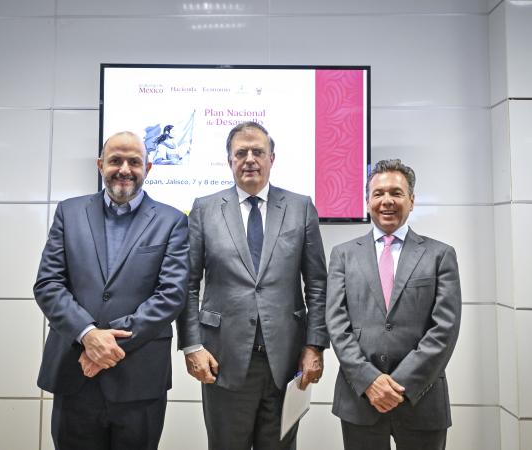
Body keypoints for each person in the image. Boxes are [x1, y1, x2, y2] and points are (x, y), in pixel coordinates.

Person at [176, 121, 328, 450]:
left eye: (258, 152)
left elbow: (317, 283)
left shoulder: (300, 207)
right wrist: (191, 346)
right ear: (229, 160)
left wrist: (315, 345)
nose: (249, 159)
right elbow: (187, 284)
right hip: (221, 358)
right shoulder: (204, 209)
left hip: (286, 360)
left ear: (272, 158)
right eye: (240, 152)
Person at [34, 131, 189, 450]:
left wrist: (106, 345)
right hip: (76, 372)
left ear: (148, 168)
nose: (125, 169)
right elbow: (48, 284)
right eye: (115, 160)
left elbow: (171, 294)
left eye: (134, 161)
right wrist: (88, 335)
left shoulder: (172, 221)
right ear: (100, 165)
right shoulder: (69, 212)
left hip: (139, 380)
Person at [326, 159, 462, 450]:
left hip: (421, 399)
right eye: (378, 193)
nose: (386, 200)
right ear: (367, 202)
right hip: (360, 398)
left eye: (396, 193)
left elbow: (444, 330)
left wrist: (399, 386)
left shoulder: (440, 255)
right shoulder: (343, 255)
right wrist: (370, 381)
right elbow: (337, 325)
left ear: (411, 200)